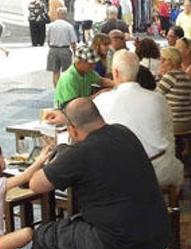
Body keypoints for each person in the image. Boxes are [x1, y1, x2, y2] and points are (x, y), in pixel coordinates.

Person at [27, 98, 171, 249]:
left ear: (72, 129)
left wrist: (50, 160)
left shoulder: (79, 154)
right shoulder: (124, 133)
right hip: (158, 233)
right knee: (124, 214)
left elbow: (36, 184)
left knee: (45, 236)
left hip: (115, 244)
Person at [57, 50, 183, 188]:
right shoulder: (158, 99)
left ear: (115, 73)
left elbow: (82, 132)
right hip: (161, 170)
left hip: (121, 175)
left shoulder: (102, 101)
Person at [53, 44, 113, 108]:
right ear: (79, 62)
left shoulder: (87, 72)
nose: (93, 66)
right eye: (90, 64)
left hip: (79, 107)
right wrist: (98, 95)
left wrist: (119, 84)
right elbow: (75, 105)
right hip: (66, 111)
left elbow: (102, 81)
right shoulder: (69, 78)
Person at [157, 47, 191, 134]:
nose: (160, 62)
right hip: (188, 121)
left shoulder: (171, 76)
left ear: (171, 61)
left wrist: (160, 75)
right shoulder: (184, 75)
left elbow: (156, 96)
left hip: (174, 122)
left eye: (163, 59)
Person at [46, 7, 78, 87]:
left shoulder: (51, 26)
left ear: (57, 15)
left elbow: (48, 40)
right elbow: (73, 42)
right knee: (67, 72)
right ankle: (65, 89)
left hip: (53, 49)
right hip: (65, 50)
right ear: (65, 15)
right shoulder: (69, 26)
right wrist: (74, 52)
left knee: (55, 72)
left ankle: (57, 90)